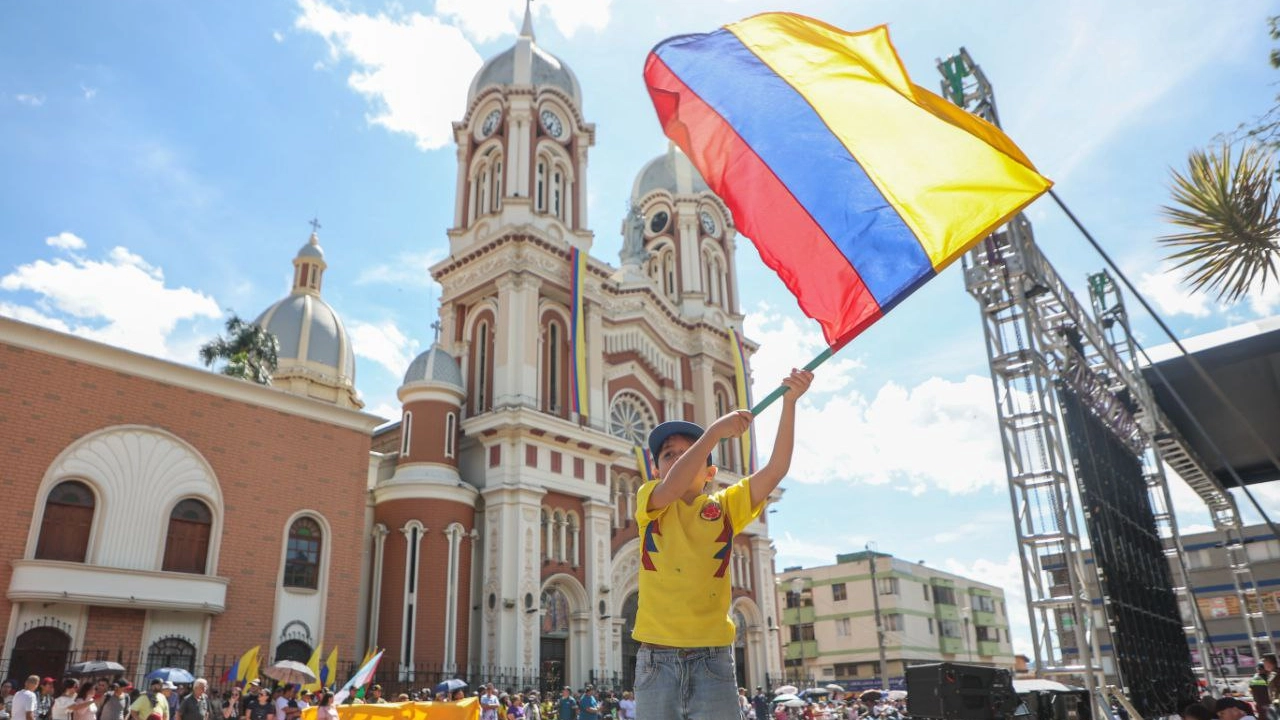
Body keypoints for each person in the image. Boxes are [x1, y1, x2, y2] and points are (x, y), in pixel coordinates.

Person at [633, 369, 813, 720]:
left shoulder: (725, 508)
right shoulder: (651, 500)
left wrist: (789, 403)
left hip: (713, 659)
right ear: (657, 470)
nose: (679, 459)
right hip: (657, 660)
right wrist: (713, 433)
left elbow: (775, 470)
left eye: (689, 455)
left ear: (710, 474)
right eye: (669, 455)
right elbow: (673, 486)